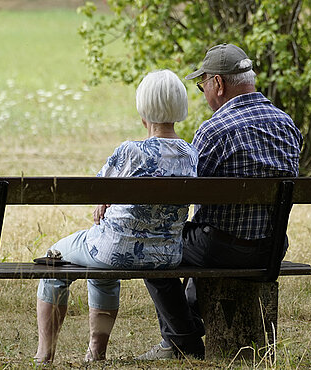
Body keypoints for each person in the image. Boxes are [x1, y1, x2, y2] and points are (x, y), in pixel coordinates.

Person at [137, 43, 303, 360]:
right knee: (201, 235)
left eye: (202, 87)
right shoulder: (287, 125)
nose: (204, 95)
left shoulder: (215, 130)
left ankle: (182, 340)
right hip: (271, 249)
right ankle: (187, 328)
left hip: (223, 249)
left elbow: (185, 194)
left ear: (218, 83)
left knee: (153, 245)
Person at [34, 69, 199, 364]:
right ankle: (96, 353)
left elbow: (96, 191)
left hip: (114, 251)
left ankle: (44, 354)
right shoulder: (190, 154)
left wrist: (104, 201)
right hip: (166, 256)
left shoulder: (130, 152)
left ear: (143, 109)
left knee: (53, 259)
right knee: (100, 267)